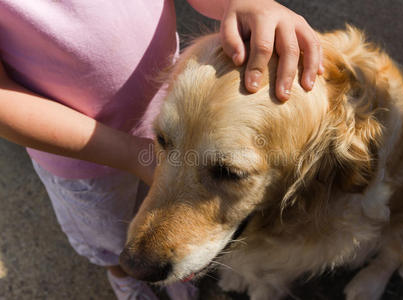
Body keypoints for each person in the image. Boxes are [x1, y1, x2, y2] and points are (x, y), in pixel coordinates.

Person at [0, 0, 322, 299]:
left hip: (175, 116)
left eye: (226, 171)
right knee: (110, 236)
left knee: (157, 204)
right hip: (81, 163)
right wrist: (131, 153)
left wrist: (239, 2)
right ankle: (125, 278)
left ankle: (172, 274)